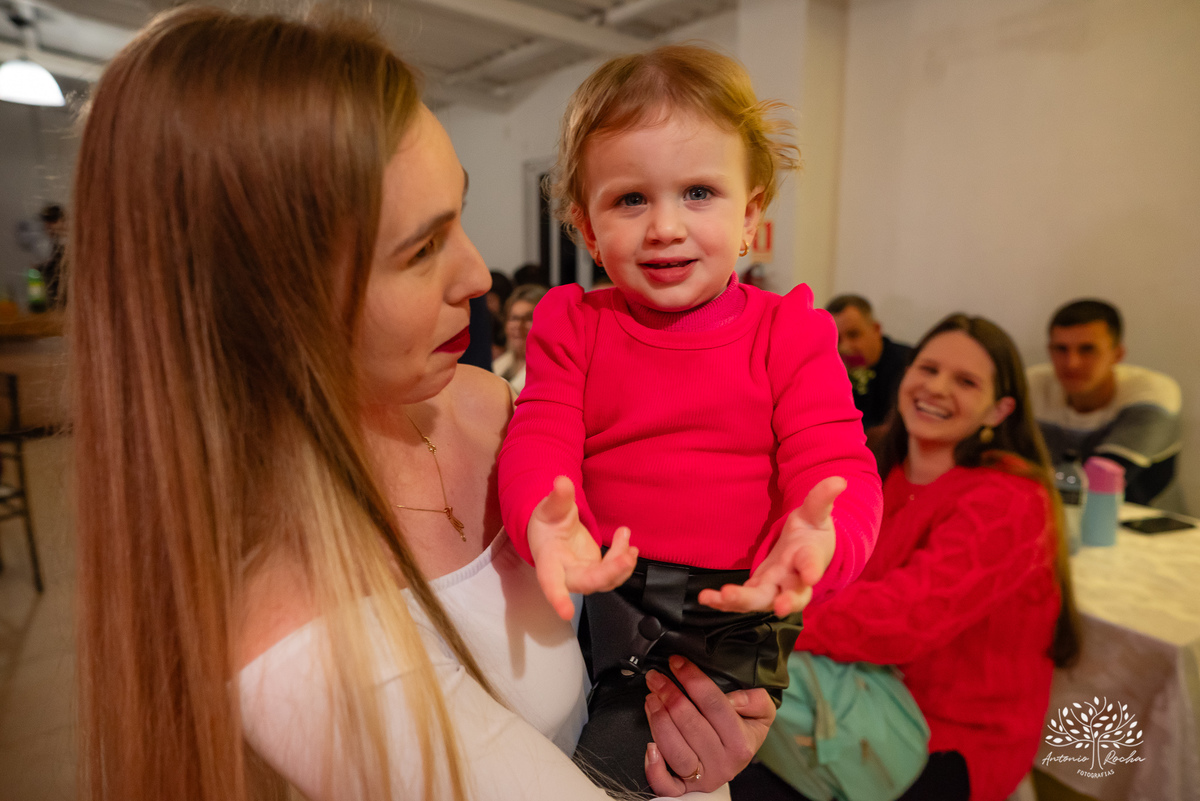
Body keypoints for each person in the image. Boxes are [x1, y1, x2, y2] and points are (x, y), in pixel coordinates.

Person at [70, 9, 781, 801]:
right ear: (268, 301)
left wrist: (704, 700)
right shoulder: (306, 645)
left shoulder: (489, 403)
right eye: (421, 249)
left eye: (459, 217)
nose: (477, 277)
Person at [498, 45, 882, 793]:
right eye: (630, 200)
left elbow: (836, 463)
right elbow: (540, 436)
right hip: (612, 587)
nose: (665, 226)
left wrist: (822, 537)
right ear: (586, 227)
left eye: (699, 192)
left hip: (735, 604)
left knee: (626, 768)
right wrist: (542, 515)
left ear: (751, 216)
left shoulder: (789, 332)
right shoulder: (573, 325)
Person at [732, 314, 1081, 801]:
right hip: (850, 685)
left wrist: (764, 621)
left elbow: (906, 617)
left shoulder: (1012, 498)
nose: (936, 388)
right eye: (928, 369)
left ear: (999, 411)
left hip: (950, 730)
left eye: (965, 381)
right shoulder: (879, 464)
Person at [1027, 299, 1183, 508]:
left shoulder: (1152, 394)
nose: (1072, 363)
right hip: (1053, 512)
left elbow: (1101, 480)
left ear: (1117, 354)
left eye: (1087, 349)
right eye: (1061, 349)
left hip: (1142, 520)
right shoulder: (1032, 385)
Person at [826, 294, 912, 433]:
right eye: (837, 339)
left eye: (854, 334)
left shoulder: (908, 365)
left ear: (876, 329)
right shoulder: (830, 368)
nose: (844, 347)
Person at [492, 283, 548, 394]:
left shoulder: (552, 373)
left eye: (528, 318)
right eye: (514, 318)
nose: (518, 325)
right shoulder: (496, 366)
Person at [38, 203, 67, 306]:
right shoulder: (57, 242)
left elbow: (61, 268)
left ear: (62, 221)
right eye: (46, 222)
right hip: (58, 299)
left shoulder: (68, 243)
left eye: (52, 221)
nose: (47, 226)